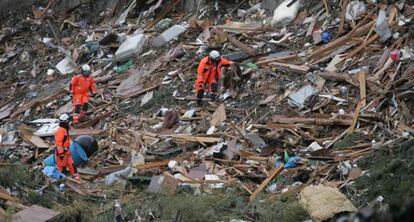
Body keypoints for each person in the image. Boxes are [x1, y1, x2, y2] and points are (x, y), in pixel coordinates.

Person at [55, 113, 80, 181]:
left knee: (72, 165)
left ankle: (76, 179)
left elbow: (65, 141)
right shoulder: (60, 131)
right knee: (61, 168)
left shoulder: (64, 130)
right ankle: (60, 181)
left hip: (67, 152)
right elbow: (58, 143)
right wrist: (61, 154)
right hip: (62, 153)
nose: (69, 123)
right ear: (65, 122)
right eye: (68, 122)